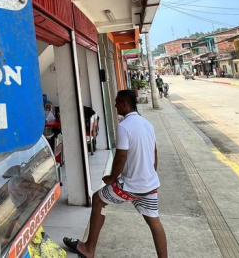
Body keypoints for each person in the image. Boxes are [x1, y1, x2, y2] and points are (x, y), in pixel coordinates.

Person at [63, 90, 166, 258]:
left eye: (117, 102)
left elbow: (121, 158)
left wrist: (111, 178)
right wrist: (149, 174)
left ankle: (89, 249)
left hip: (132, 186)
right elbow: (154, 152)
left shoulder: (124, 126)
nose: (115, 105)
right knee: (154, 221)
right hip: (150, 184)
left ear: (125, 105)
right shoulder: (147, 124)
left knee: (97, 200)